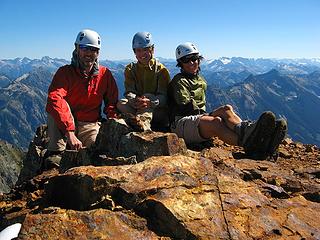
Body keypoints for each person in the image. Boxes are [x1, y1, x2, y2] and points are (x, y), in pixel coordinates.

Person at [168, 42, 287, 159]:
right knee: (216, 122)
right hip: (180, 123)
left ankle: (250, 131)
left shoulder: (200, 80)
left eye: (194, 58)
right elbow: (186, 107)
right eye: (186, 60)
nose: (192, 62)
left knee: (227, 109)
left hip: (195, 118)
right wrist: (209, 115)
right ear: (180, 64)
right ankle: (251, 144)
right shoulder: (179, 81)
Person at [45, 29, 118, 166]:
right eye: (85, 48)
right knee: (55, 108)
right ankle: (56, 153)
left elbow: (112, 102)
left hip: (89, 124)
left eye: (93, 49)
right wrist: (70, 132)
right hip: (64, 124)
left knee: (96, 154)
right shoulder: (65, 73)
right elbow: (55, 98)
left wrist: (113, 122)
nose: (89, 53)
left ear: (98, 53)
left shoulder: (104, 75)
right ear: (77, 49)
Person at [117, 31, 171, 131]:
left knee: (147, 97)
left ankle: (143, 125)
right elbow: (129, 92)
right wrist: (135, 100)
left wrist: (150, 102)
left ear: (152, 49)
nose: (142, 54)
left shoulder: (161, 71)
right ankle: (137, 120)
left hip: (159, 111)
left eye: (146, 49)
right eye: (138, 50)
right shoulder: (130, 69)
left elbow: (164, 97)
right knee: (120, 103)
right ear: (134, 52)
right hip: (138, 106)